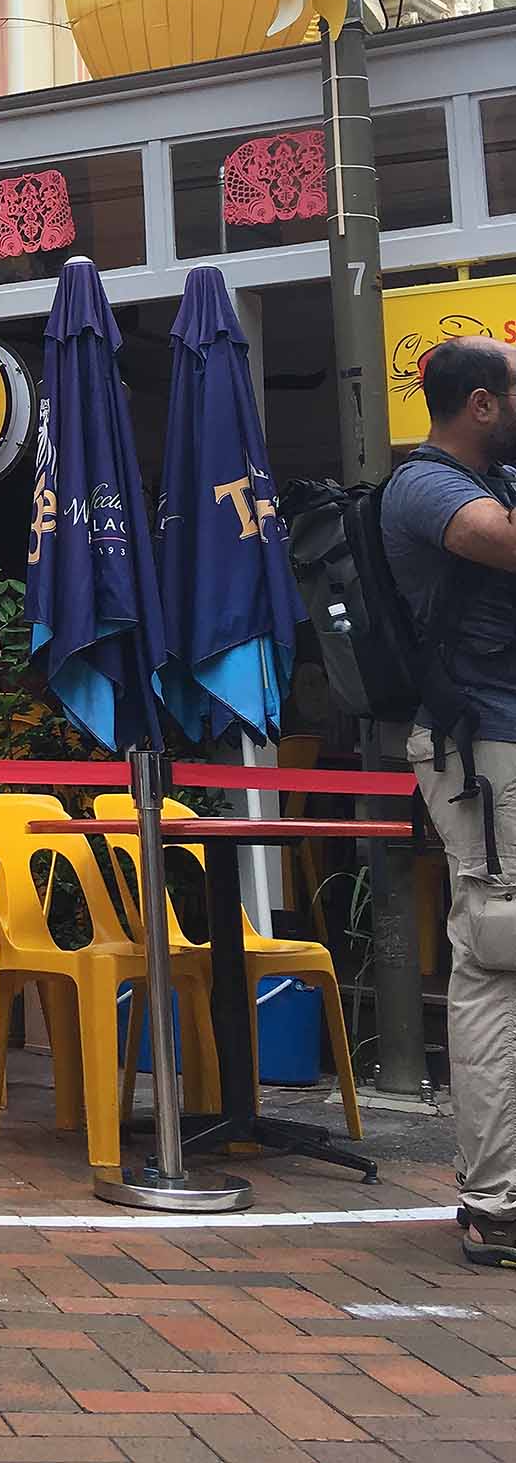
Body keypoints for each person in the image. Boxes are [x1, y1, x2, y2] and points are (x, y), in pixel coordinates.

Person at [381, 335, 516, 1269]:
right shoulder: (425, 486)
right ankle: (497, 1201)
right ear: (480, 403)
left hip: (500, 744)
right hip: (480, 750)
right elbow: (497, 543)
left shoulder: (495, 478)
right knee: (497, 952)